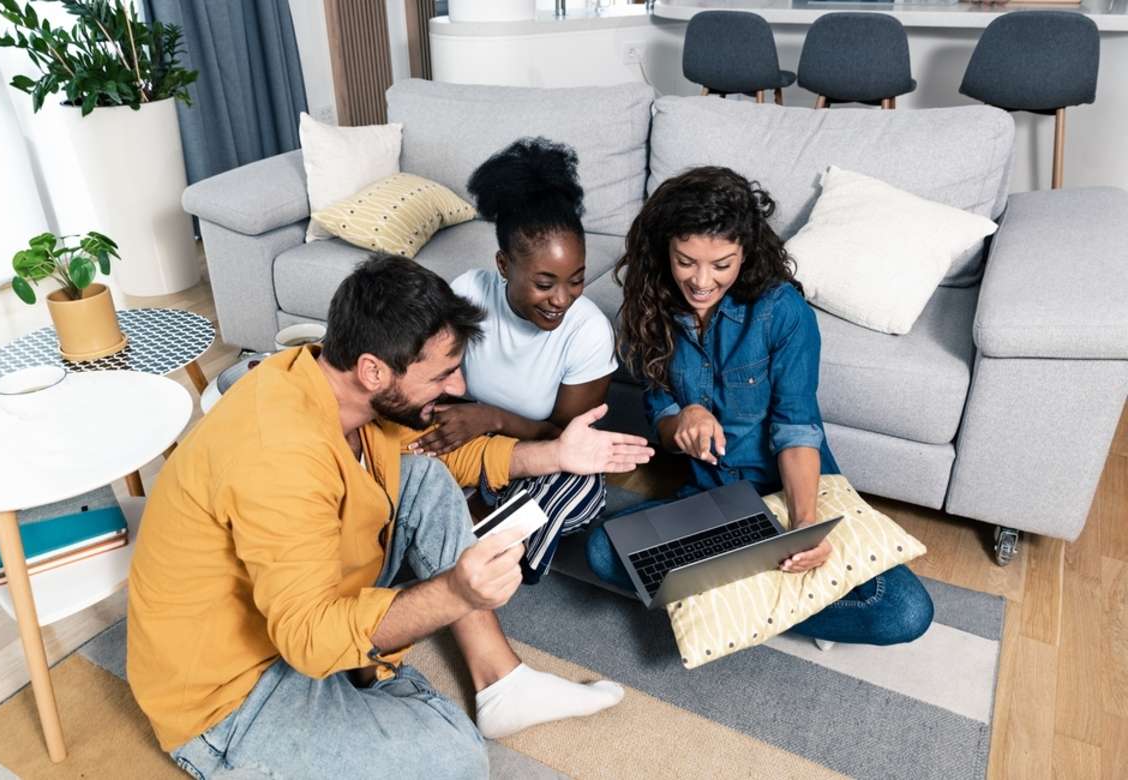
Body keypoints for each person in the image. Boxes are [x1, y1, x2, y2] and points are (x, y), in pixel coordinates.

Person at [128, 254, 653, 778]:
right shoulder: (278, 455)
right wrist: (455, 592)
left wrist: (556, 456)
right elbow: (308, 638)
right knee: (455, 761)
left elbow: (440, 454)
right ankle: (360, 687)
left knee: (421, 477)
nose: (458, 388)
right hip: (231, 692)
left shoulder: (335, 385)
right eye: (443, 374)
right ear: (373, 370)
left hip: (301, 612)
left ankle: (500, 681)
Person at [585, 167, 933, 646]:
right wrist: (680, 419)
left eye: (721, 265)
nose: (701, 281)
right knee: (604, 552)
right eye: (686, 261)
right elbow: (660, 409)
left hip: (787, 492)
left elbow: (797, 429)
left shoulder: (782, 311)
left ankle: (731, 603)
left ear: (745, 253)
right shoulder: (650, 305)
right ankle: (778, 600)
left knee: (904, 612)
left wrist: (806, 523)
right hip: (715, 502)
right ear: (666, 249)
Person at [409, 138, 617, 561]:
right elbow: (427, 374)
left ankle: (466, 543)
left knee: (582, 486)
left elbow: (565, 438)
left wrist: (492, 417)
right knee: (405, 452)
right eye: (545, 284)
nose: (562, 298)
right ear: (504, 265)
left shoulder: (589, 331)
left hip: (537, 456)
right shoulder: (468, 294)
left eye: (575, 280)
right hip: (466, 445)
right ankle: (477, 545)